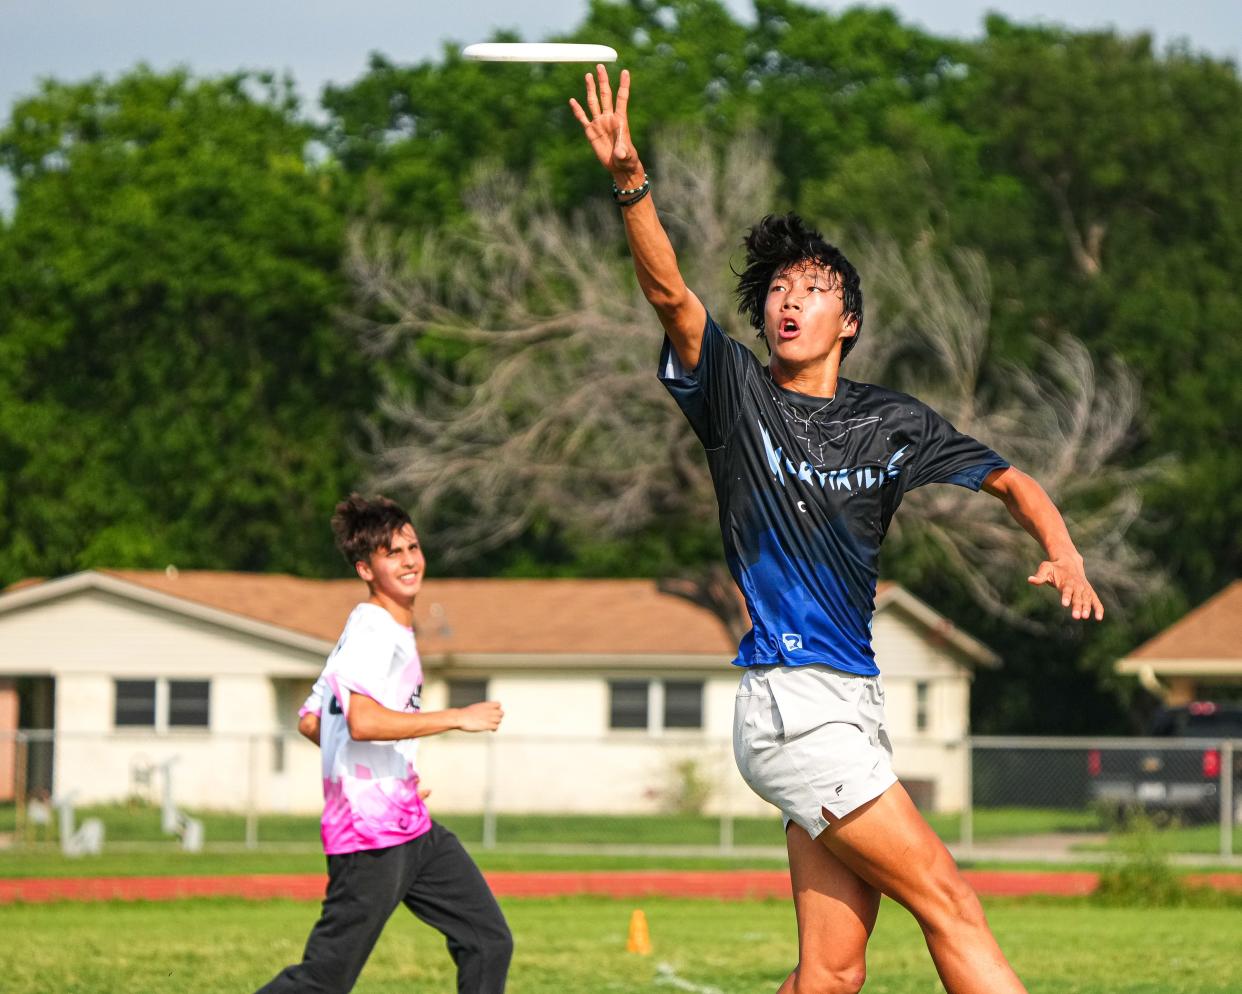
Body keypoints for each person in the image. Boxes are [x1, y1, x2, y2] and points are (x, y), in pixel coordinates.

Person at [570, 67, 1103, 994]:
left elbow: (1012, 480)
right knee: (951, 902)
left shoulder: (892, 421)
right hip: (791, 703)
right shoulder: (735, 396)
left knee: (833, 972)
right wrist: (631, 183)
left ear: (846, 319)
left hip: (852, 702)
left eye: (810, 289)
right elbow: (669, 299)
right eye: (777, 289)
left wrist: (1061, 549)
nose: (787, 301)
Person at [255, 494, 513, 994]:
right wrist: (457, 717)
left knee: (487, 940)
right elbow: (363, 721)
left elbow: (312, 721)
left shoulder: (379, 628)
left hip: (410, 828)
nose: (409, 559)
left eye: (412, 546)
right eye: (391, 552)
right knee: (325, 979)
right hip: (369, 839)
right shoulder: (374, 630)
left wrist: (389, 773)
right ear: (365, 568)